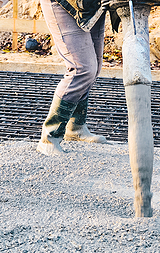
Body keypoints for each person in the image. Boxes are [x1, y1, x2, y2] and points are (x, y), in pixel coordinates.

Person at [36, 0, 111, 156]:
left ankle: (75, 128)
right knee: (82, 68)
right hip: (63, 3)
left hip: (92, 4)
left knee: (94, 67)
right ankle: (49, 138)